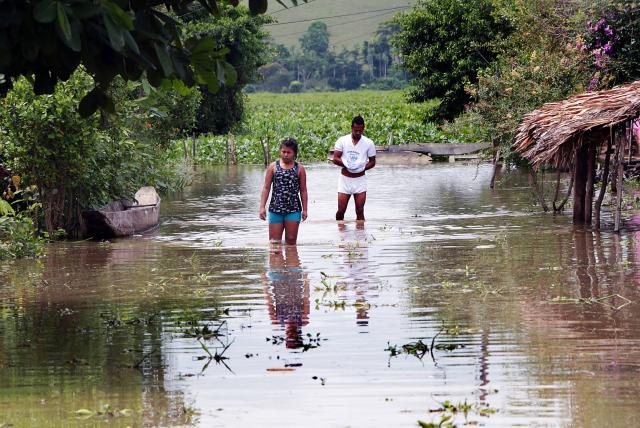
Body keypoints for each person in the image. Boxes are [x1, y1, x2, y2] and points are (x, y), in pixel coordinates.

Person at [259, 138, 308, 244]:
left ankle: (292, 259)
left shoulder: (300, 169)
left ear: (294, 153)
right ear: (280, 151)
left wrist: (305, 209)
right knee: (274, 242)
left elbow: (303, 190)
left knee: (291, 242)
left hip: (293, 209)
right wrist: (262, 207)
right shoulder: (273, 167)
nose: (285, 154)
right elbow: (266, 188)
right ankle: (277, 261)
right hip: (275, 209)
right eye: (283, 151)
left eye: (289, 152)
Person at [332, 115, 376, 221]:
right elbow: (335, 158)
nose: (358, 133)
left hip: (360, 180)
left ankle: (360, 234)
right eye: (356, 130)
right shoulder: (342, 140)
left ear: (363, 128)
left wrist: (362, 167)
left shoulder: (369, 143)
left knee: (360, 209)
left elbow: (372, 162)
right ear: (352, 127)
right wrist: (345, 164)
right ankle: (340, 231)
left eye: (360, 130)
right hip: (345, 180)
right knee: (341, 210)